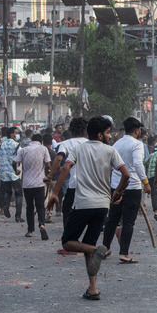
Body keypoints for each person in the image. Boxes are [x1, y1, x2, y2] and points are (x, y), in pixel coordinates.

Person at [47, 116, 130, 300]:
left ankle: (95, 251)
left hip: (83, 203)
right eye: (108, 132)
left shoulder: (78, 149)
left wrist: (55, 192)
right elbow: (126, 174)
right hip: (102, 205)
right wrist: (117, 192)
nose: (110, 136)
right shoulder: (110, 151)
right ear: (100, 134)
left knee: (68, 242)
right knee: (88, 245)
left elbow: (66, 168)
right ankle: (93, 288)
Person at [102, 118, 151, 263]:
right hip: (132, 185)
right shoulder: (137, 144)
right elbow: (137, 164)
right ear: (137, 130)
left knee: (113, 219)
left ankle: (105, 248)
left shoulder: (117, 143)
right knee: (128, 221)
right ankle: (123, 253)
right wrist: (146, 182)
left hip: (116, 186)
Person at [46, 117, 89, 228]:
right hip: (91, 185)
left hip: (74, 184)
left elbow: (59, 159)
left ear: (70, 130)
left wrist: (50, 175)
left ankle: (68, 235)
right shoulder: (92, 144)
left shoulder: (66, 144)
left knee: (68, 210)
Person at [13, 133, 51, 240]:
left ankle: (30, 231)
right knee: (40, 206)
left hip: (27, 184)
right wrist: (48, 173)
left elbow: (14, 162)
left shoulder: (24, 150)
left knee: (29, 207)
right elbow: (48, 164)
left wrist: (16, 171)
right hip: (39, 183)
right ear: (41, 140)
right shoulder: (43, 149)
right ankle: (42, 224)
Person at [0, 127, 24, 222]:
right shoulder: (17, 146)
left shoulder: (1, 145)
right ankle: (18, 216)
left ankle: (6, 205)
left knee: (8, 192)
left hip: (4, 172)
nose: (17, 134)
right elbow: (21, 157)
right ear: (11, 134)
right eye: (16, 132)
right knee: (18, 194)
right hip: (15, 172)